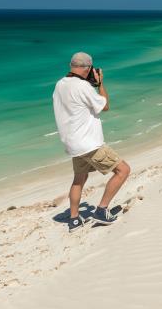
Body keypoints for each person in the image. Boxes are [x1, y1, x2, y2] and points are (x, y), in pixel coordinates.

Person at [53, 52, 131, 232]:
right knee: (123, 170)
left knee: (79, 178)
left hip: (72, 143)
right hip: (88, 143)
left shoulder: (59, 85)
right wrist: (100, 83)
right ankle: (102, 210)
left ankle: (74, 219)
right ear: (88, 68)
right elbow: (105, 106)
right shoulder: (83, 87)